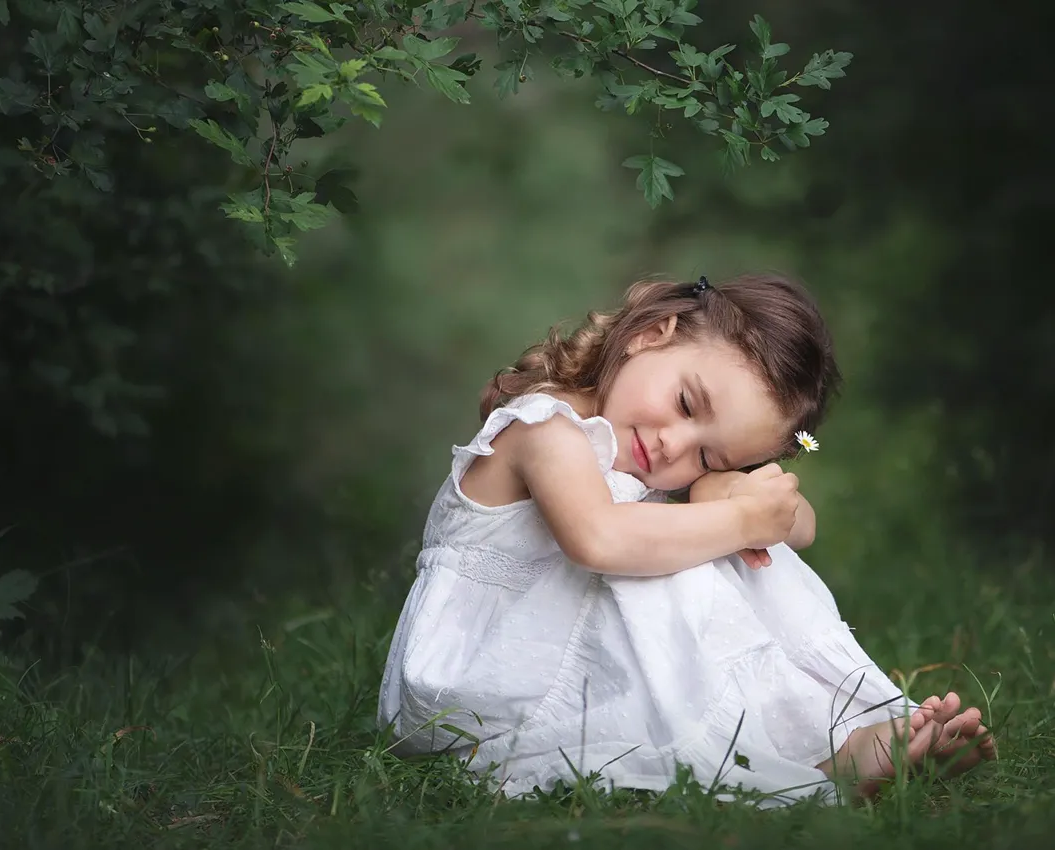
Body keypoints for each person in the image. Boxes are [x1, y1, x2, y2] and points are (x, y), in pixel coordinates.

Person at [378, 274, 996, 806]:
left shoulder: (651, 469)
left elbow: (797, 525)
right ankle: (804, 760)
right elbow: (599, 538)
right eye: (684, 402)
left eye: (707, 451)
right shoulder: (546, 429)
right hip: (473, 692)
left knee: (729, 549)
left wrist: (744, 501)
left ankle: (839, 735)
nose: (675, 444)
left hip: (555, 671)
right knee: (682, 560)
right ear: (653, 334)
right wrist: (739, 520)